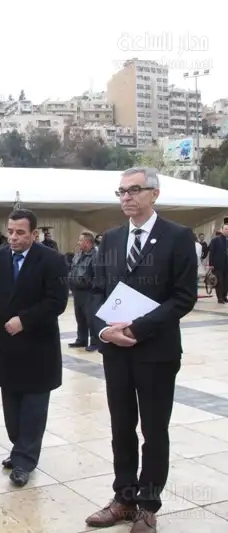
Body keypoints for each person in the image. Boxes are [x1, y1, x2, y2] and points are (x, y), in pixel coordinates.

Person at [85, 167, 198, 533]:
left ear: (154, 193)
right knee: (121, 427)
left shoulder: (177, 237)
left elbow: (184, 296)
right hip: (116, 351)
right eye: (121, 191)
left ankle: (148, 505)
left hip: (156, 351)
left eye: (134, 190)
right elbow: (96, 291)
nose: (126, 197)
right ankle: (123, 498)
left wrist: (138, 328)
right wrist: (104, 331)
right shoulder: (112, 239)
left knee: (154, 429)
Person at [0, 208, 69, 488]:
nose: (13, 237)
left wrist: (24, 320)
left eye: (20, 233)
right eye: (10, 231)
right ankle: (19, 447)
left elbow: (57, 302)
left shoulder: (52, 260)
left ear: (33, 234)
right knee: (12, 410)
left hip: (38, 346)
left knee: (34, 408)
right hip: (6, 345)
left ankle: (25, 460)